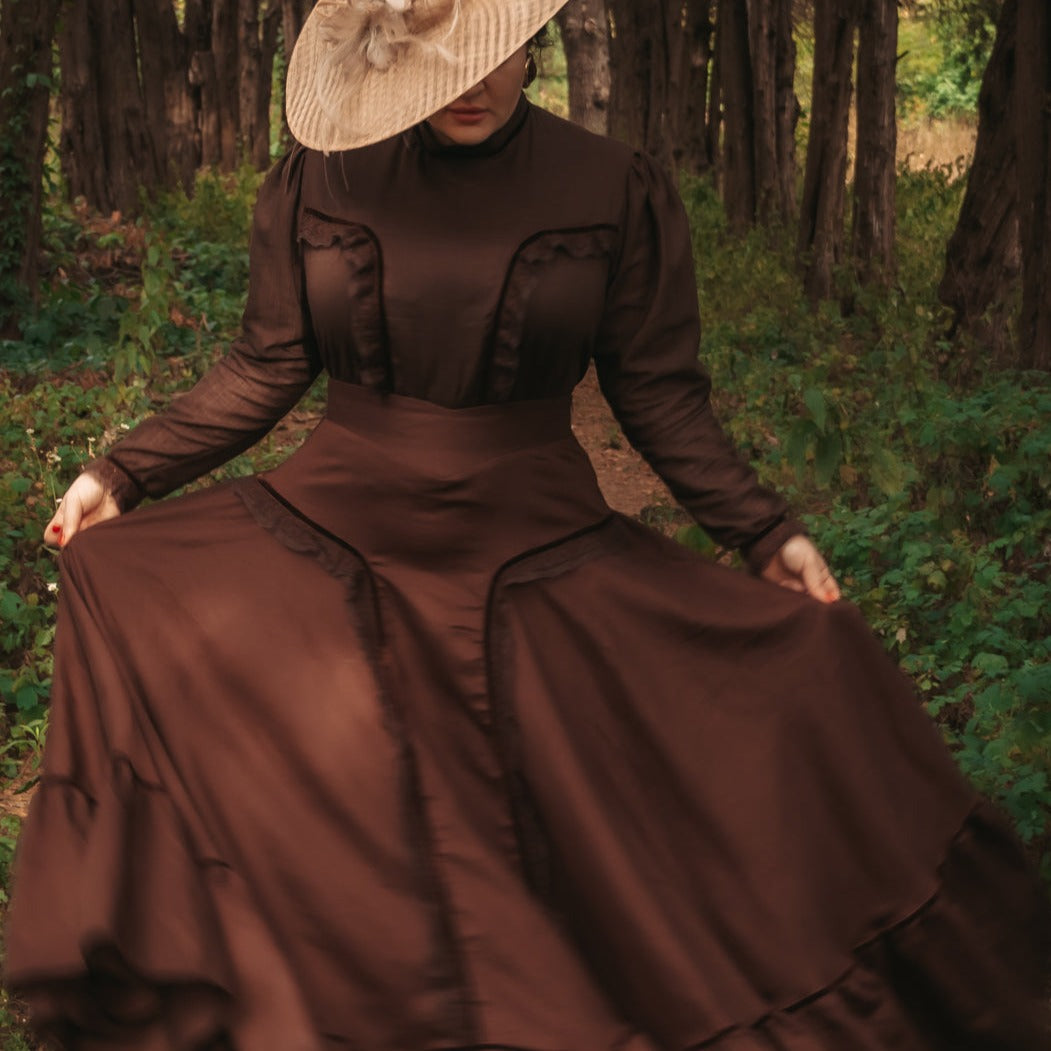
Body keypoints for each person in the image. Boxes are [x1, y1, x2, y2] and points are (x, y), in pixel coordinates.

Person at [5, 1, 1049, 1047]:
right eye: (440, 58)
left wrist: (766, 532)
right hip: (337, 531)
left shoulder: (609, 186)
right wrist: (122, 473)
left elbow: (660, 397)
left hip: (534, 543)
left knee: (579, 849)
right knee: (355, 829)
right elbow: (266, 364)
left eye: (493, 53)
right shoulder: (319, 177)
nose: (472, 80)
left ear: (531, 43)